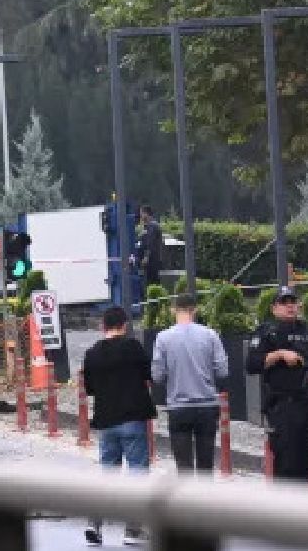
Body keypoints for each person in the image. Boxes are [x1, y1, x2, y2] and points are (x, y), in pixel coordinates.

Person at [81, 306, 154, 547]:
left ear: (103, 326)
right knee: (137, 473)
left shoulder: (92, 354)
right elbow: (149, 375)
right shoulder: (134, 348)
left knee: (108, 473)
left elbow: (89, 388)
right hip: (132, 419)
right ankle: (132, 529)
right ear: (124, 325)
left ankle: (94, 523)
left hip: (106, 421)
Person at [246, 286, 308, 481]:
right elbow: (252, 364)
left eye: (293, 302)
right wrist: (279, 354)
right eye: (284, 303)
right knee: (287, 463)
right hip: (283, 406)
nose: (290, 306)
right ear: (274, 308)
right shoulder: (267, 332)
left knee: (307, 460)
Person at [151, 293, 229, 473]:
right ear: (195, 310)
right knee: (206, 465)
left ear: (173, 310)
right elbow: (222, 371)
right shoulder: (210, 335)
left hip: (178, 407)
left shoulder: (163, 338)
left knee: (183, 467)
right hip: (207, 406)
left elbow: (157, 376)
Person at [133, 206, 164, 288]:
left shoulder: (152, 226)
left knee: (152, 281)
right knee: (151, 281)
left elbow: (150, 243)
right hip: (151, 260)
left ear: (146, 213)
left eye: (141, 213)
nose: (140, 216)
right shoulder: (147, 227)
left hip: (152, 260)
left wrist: (146, 256)